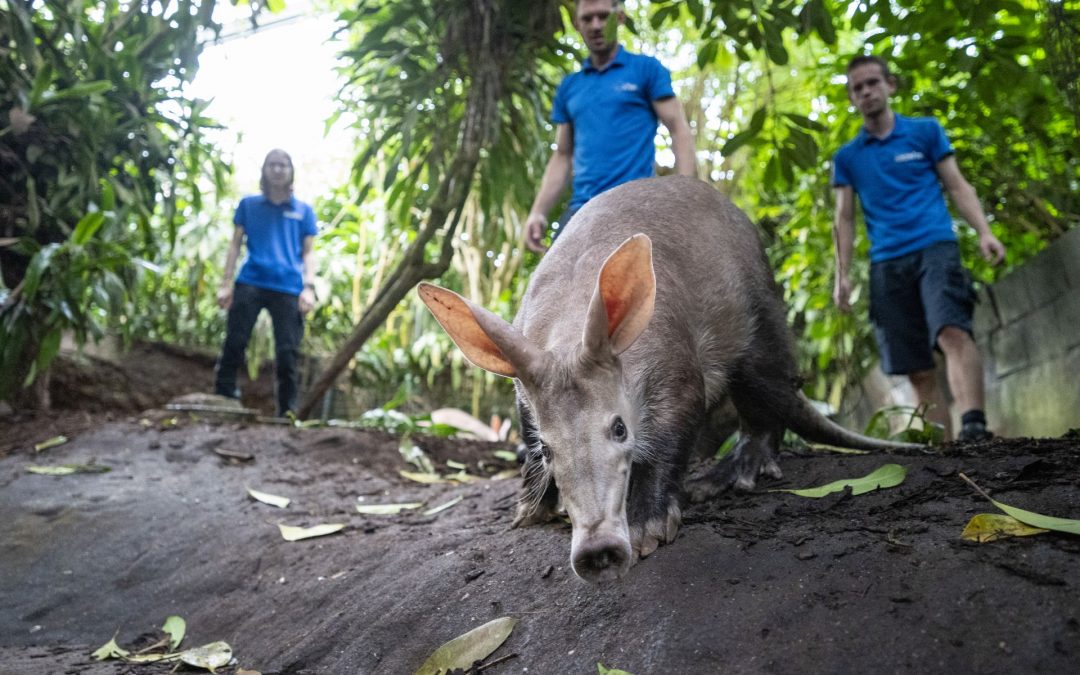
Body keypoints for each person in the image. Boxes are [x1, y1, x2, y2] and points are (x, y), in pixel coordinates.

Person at [832, 54, 1006, 441]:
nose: (866, 92)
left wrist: (984, 232)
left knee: (952, 332)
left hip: (934, 247)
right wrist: (842, 276)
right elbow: (844, 218)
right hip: (886, 263)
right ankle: (942, 450)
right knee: (916, 367)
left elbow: (958, 185)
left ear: (890, 85)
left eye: (873, 83)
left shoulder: (925, 132)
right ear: (851, 98)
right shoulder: (847, 157)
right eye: (858, 88)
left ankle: (974, 427)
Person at [523, 0, 696, 253]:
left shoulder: (646, 70)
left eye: (604, 16)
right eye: (587, 18)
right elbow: (562, 154)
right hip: (580, 211)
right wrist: (538, 212)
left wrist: (685, 195)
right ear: (577, 24)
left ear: (621, 18)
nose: (596, 25)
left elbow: (678, 128)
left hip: (636, 206)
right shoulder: (570, 86)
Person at [214, 149, 318, 417]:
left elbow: (308, 252)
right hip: (251, 282)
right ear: (264, 170)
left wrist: (308, 287)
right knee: (235, 341)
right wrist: (225, 284)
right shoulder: (248, 205)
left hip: (288, 288)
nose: (278, 169)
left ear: (290, 171)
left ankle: (287, 411)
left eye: (283, 165)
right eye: (272, 164)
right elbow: (235, 245)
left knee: (287, 353)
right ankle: (224, 394)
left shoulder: (304, 211)